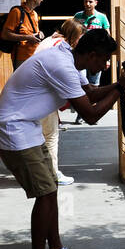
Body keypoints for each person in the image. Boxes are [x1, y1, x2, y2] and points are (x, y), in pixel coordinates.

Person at [0, 28, 125, 249]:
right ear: (91, 54)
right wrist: (121, 88)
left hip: (28, 127)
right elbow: (92, 115)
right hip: (13, 129)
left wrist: (118, 84)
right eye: (104, 59)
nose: (106, 65)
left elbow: (92, 93)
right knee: (45, 194)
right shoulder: (61, 65)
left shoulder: (68, 58)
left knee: (50, 190)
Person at [34, 19, 84, 186]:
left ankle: (45, 172)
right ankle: (53, 174)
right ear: (72, 35)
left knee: (42, 136)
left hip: (35, 95)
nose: (79, 42)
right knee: (50, 136)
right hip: (43, 97)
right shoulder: (60, 46)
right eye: (79, 37)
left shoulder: (50, 39)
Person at [69, 0, 111, 124]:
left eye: (90, 1)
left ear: (95, 3)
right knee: (81, 84)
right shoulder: (78, 16)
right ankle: (82, 113)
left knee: (94, 85)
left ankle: (92, 111)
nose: (88, 4)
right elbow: (72, 33)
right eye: (86, 1)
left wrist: (107, 59)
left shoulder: (102, 18)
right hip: (81, 56)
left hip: (96, 58)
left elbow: (107, 38)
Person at [0, 0, 45, 69]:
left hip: (34, 56)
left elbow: (34, 32)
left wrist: (39, 34)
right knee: (22, 82)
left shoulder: (35, 14)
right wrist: (28, 37)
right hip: (21, 58)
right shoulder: (16, 12)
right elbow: (5, 35)